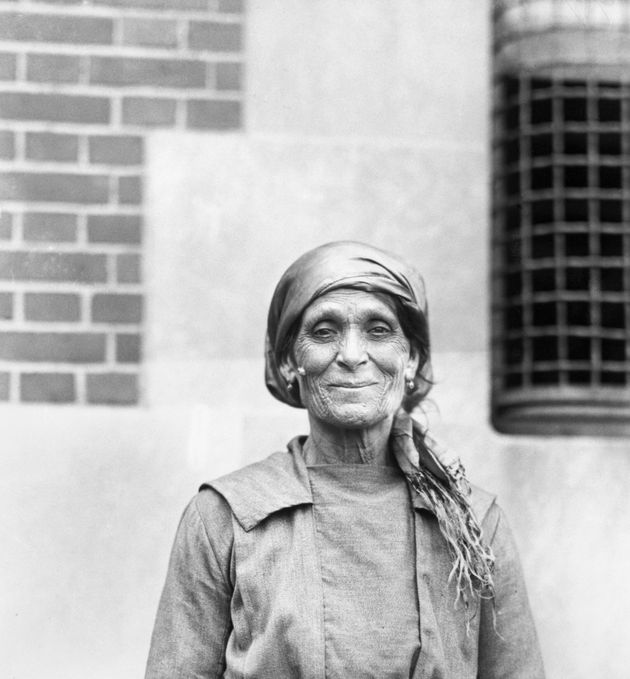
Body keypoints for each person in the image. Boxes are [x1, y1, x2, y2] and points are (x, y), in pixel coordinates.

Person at [145, 241, 545, 678]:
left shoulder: (472, 524)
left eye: (378, 330)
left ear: (410, 359)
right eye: (324, 332)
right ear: (288, 362)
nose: (352, 355)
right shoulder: (224, 518)